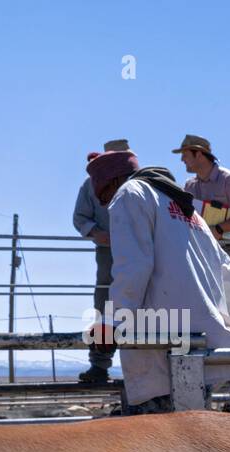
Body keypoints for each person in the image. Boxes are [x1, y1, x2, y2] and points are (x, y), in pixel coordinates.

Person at [89, 151, 230, 413]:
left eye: (105, 198)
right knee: (194, 441)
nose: (108, 206)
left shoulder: (130, 194)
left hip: (161, 345)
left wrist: (113, 323)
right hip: (202, 346)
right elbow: (229, 274)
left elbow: (133, 266)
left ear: (112, 183)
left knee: (158, 446)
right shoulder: (190, 212)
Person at [73, 139, 130, 383]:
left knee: (144, 308)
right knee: (105, 307)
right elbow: (80, 217)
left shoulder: (139, 184)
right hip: (108, 254)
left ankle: (140, 370)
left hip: (139, 252)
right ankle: (100, 365)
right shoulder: (90, 184)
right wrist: (97, 233)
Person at [173, 134, 230, 292]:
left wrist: (219, 230)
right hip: (205, 251)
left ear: (198, 154)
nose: (182, 159)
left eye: (184, 154)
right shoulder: (189, 186)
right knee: (208, 307)